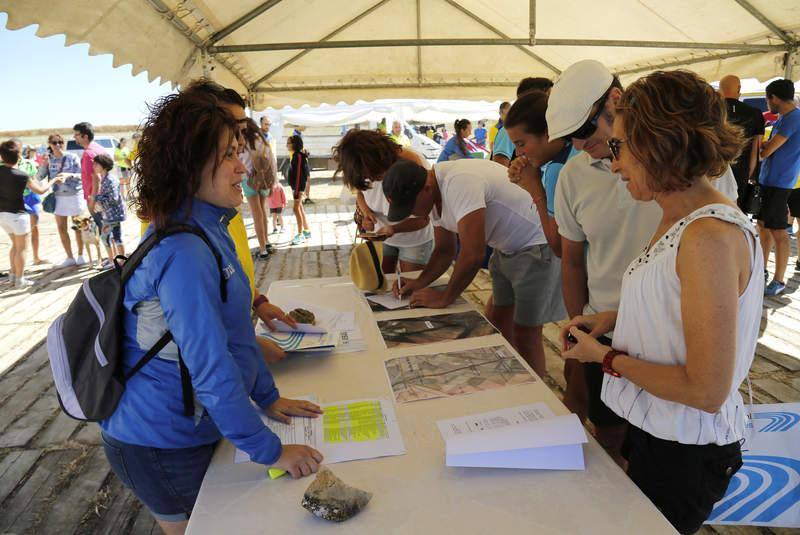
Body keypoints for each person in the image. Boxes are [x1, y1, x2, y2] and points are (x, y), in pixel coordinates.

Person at [104, 82, 323, 534]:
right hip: (158, 442)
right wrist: (272, 451)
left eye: (240, 151)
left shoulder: (210, 225)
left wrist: (267, 397)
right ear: (188, 166)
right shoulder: (183, 250)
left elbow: (237, 336)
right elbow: (210, 365)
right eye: (229, 155)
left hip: (190, 427)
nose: (243, 165)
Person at [561, 69, 760, 535]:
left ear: (662, 143)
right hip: (660, 430)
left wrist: (605, 356)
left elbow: (706, 390)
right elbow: (678, 302)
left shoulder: (707, 234)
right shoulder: (680, 218)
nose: (614, 164)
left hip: (685, 448)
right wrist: (612, 318)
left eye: (620, 147)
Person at [546, 60, 663, 459]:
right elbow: (572, 262)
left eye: (583, 130)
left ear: (616, 99)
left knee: (663, 444)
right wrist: (578, 331)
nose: (579, 145)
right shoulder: (573, 176)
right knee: (608, 433)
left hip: (671, 332)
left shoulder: (684, 166)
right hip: (604, 330)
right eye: (569, 139)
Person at [383, 158, 565, 377]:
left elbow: (472, 254)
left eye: (410, 207)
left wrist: (445, 297)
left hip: (535, 245)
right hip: (505, 248)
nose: (412, 214)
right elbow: (444, 250)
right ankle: (509, 377)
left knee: (526, 331)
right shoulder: (431, 193)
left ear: (426, 188)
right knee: (496, 322)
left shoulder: (459, 182)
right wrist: (419, 282)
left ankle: (538, 396)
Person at [332, 129, 434, 273]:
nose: (371, 180)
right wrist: (366, 213)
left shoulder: (411, 164)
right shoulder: (364, 171)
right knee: (381, 282)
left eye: (372, 175)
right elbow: (360, 194)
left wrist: (393, 229)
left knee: (411, 284)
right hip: (383, 238)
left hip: (414, 239)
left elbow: (424, 219)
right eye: (366, 178)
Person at [505, 90, 580, 257]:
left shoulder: (557, 169)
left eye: (521, 143)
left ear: (548, 132)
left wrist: (534, 186)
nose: (518, 153)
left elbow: (559, 248)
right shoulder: (577, 148)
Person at [757, 79, 800, 296]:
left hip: (779, 183)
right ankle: (762, 270)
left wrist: (761, 147)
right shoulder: (785, 118)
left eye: (767, 100)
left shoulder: (794, 118)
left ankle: (779, 279)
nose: (767, 105)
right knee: (763, 226)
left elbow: (766, 151)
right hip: (769, 181)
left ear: (774, 97)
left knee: (778, 231)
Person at [0, 140, 59, 287]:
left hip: (2, 215)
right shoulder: (22, 175)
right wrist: (54, 180)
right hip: (18, 215)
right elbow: (41, 190)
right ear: (18, 155)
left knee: (14, 245)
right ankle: (20, 279)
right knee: (22, 248)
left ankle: (13, 275)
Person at [38, 134, 88, 267]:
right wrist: (43, 164)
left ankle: (81, 255)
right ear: (50, 144)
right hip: (58, 197)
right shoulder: (49, 160)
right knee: (61, 228)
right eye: (54, 143)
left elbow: (82, 175)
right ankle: (70, 257)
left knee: (78, 226)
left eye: (60, 142)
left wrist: (69, 175)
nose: (58, 145)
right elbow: (39, 177)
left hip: (74, 195)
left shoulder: (72, 157)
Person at [719, 75, 765, 207]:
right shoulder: (754, 113)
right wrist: (749, 174)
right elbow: (755, 150)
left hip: (714, 171)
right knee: (736, 211)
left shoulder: (710, 111)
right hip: (741, 171)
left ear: (720, 90)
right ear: (739, 88)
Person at [240, 119, 277, 259]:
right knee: (262, 211)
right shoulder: (262, 140)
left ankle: (262, 250)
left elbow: (242, 163)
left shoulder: (243, 142)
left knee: (256, 214)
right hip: (265, 179)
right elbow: (272, 160)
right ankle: (266, 242)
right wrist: (273, 181)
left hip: (249, 181)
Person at [12, 139, 45, 265]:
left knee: (34, 227)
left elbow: (34, 179)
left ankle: (36, 257)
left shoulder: (29, 163)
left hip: (32, 197)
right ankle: (18, 260)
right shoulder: (6, 164)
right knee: (19, 231)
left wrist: (41, 189)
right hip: (17, 199)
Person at [91, 153, 126, 268]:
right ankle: (115, 259)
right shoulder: (106, 179)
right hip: (110, 214)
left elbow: (114, 199)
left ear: (104, 165)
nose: (94, 166)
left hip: (113, 215)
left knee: (109, 237)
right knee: (112, 237)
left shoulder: (109, 180)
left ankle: (118, 260)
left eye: (97, 164)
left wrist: (96, 198)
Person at [73, 122, 106, 230]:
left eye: (76, 134)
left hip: (96, 198)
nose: (74, 137)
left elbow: (96, 177)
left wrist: (93, 198)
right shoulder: (99, 148)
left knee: (104, 232)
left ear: (85, 136)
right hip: (105, 195)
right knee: (110, 231)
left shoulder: (88, 153)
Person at [287, 135, 311, 245]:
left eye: (289, 143)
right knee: (300, 207)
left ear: (295, 144)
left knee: (296, 209)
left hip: (298, 187)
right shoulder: (296, 155)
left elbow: (299, 176)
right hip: (296, 187)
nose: (287, 145)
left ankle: (300, 234)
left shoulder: (298, 156)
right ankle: (306, 230)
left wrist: (297, 191)